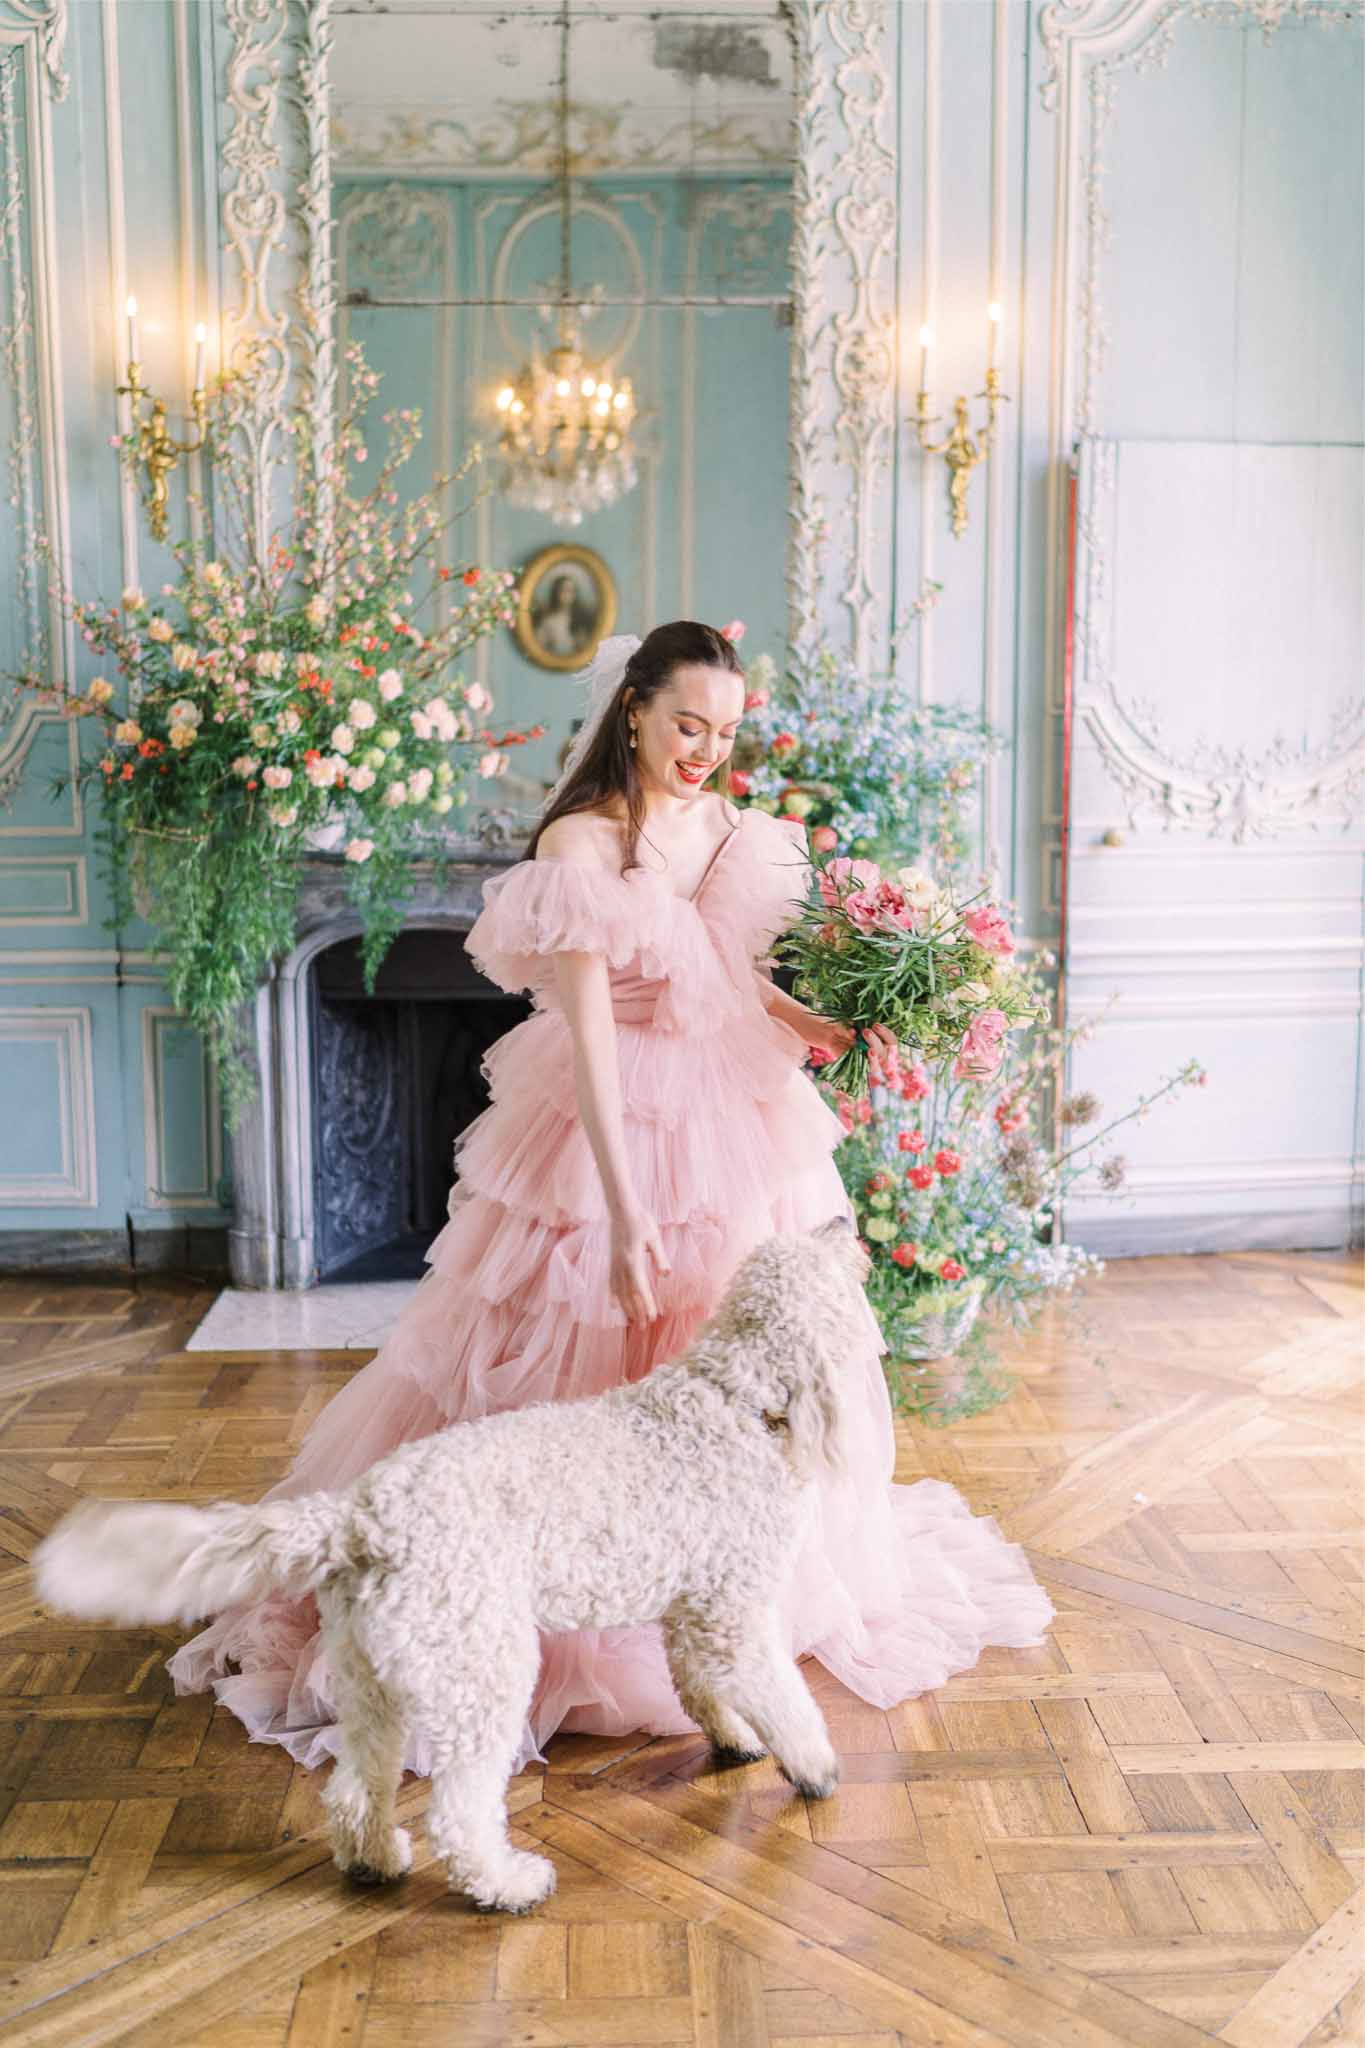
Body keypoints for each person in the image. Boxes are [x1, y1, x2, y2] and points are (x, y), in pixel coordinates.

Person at [169, 620, 1052, 1775]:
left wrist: (812, 1024)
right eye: (688, 723)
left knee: (728, 1361)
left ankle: (728, 1607)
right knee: (582, 1345)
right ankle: (562, 1611)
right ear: (633, 707)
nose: (706, 750)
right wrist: (626, 1215)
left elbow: (733, 974)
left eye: (726, 731)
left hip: (737, 1109)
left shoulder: (747, 834)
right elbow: (586, 1038)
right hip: (607, 1116)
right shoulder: (581, 842)